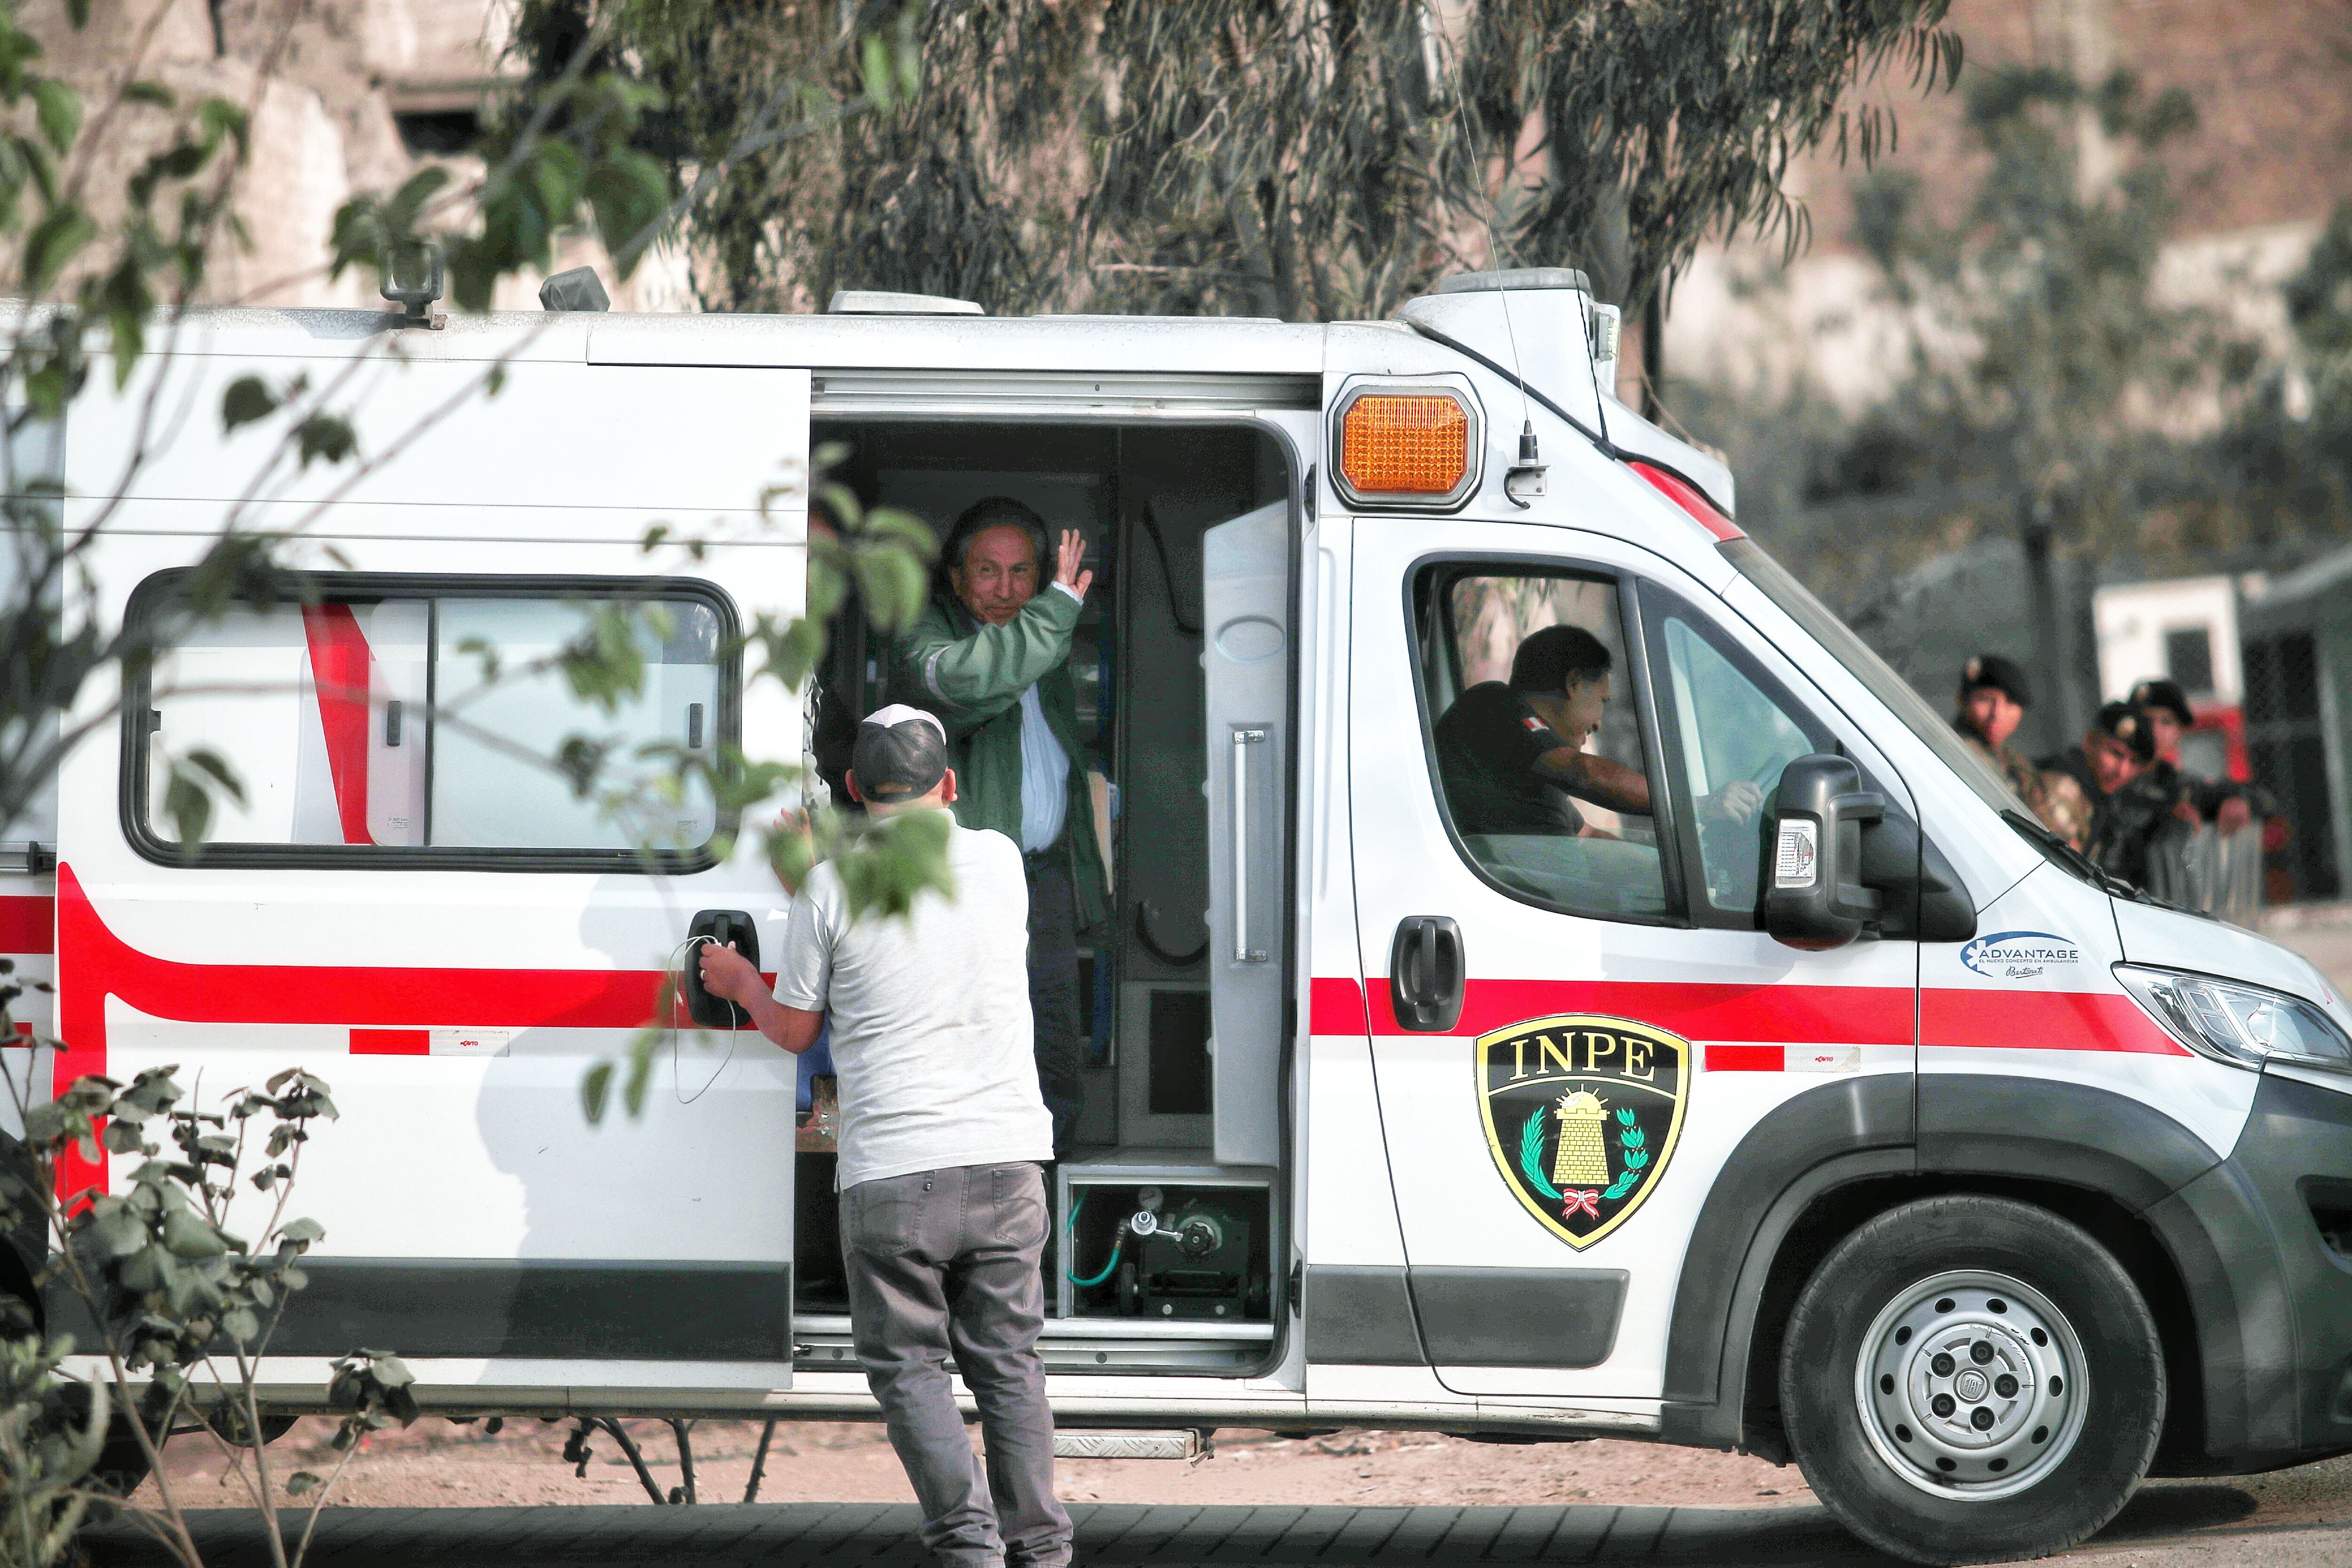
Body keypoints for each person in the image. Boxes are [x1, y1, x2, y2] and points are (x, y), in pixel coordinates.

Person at [698, 705, 1071, 1568]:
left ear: (858, 791)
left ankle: (968, 1544)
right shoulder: (1003, 862)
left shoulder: (830, 885)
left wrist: (741, 977)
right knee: (1008, 1361)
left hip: (897, 1175)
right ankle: (1043, 1547)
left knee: (910, 1368)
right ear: (950, 786)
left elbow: (794, 1029)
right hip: (1010, 1160)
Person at [894, 496, 1105, 1157]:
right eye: (988, 571)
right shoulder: (930, 636)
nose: (1006, 589)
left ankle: (1045, 1200)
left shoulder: (1039, 635)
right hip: (962, 885)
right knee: (974, 1040)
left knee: (1052, 1044)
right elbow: (970, 682)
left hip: (1041, 876)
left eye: (1022, 573)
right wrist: (1055, 613)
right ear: (956, 578)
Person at [1434, 623, 1760, 836]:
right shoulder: (1496, 706)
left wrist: (1673, 858)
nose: (1599, 723)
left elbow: (1587, 836)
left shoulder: (1530, 770)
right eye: (1602, 701)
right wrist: (1700, 806)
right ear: (1573, 684)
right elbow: (1587, 773)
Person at [1953, 653, 2091, 847]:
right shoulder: (1957, 751)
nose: (1997, 714)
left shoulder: (2009, 757)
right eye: (1986, 700)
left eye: (2010, 703)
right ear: (1962, 700)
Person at [2038, 700, 2168, 884]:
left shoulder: (2103, 797)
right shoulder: (2063, 786)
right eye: (2116, 754)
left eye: (2135, 763)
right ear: (2089, 742)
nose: (2122, 771)